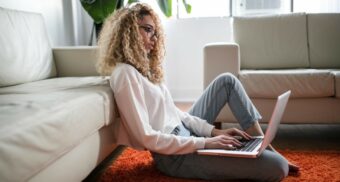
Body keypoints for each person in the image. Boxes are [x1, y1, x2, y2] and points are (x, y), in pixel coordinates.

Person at [96, 3, 299, 182]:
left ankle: (263, 146)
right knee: (277, 167)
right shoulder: (124, 74)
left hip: (186, 135)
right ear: (129, 30)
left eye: (155, 32)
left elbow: (177, 114)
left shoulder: (144, 70)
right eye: (148, 30)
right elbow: (146, 137)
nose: (154, 38)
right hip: (174, 156)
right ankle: (263, 153)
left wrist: (213, 132)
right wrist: (205, 143)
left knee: (226, 81)